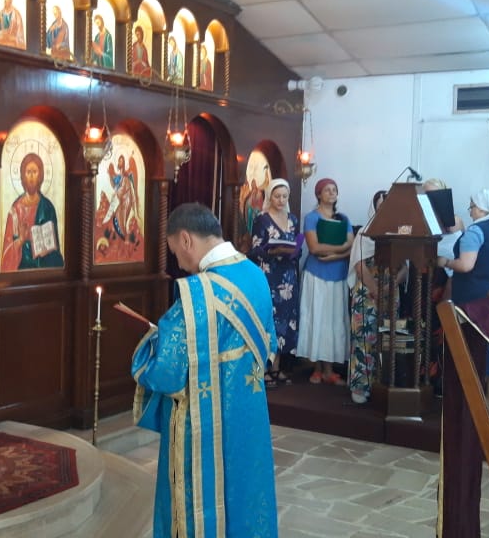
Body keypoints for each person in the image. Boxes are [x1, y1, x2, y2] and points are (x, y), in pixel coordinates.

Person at [131, 202, 279, 538]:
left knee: (205, 502)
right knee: (246, 491)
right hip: (247, 413)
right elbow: (269, 344)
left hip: (204, 423)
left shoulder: (197, 293)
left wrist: (149, 344)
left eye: (175, 252)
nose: (180, 264)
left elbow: (167, 371)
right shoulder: (256, 275)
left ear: (186, 239)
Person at [436, 189, 489, 420]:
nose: (470, 210)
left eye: (473, 206)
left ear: (484, 208)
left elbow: (466, 265)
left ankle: (471, 403)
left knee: (474, 347)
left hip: (476, 297)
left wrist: (444, 262)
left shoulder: (476, 231)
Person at [298, 178, 353, 385]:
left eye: (334, 190)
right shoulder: (311, 217)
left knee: (333, 321)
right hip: (316, 275)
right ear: (318, 194)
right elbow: (314, 248)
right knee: (316, 318)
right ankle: (317, 368)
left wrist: (334, 256)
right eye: (327, 190)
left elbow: (352, 245)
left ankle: (329, 370)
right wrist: (341, 249)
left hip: (338, 274)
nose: (331, 193)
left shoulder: (343, 218)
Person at [246, 178, 300, 386]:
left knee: (285, 321)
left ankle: (277, 368)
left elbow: (298, 247)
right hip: (269, 275)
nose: (281, 200)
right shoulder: (262, 219)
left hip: (288, 277)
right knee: (268, 319)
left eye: (284, 196)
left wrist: (292, 251)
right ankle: (263, 369)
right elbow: (254, 250)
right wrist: (272, 250)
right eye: (277, 196)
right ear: (270, 196)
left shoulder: (293, 219)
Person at [347, 190, 388, 403]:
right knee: (364, 339)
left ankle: (383, 385)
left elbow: (405, 268)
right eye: (381, 207)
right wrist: (376, 290)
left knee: (386, 340)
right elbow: (359, 265)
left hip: (390, 293)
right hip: (367, 293)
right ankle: (361, 387)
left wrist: (389, 288)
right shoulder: (364, 234)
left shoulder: (399, 234)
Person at [2, 152, 64, 270]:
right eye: (28, 172)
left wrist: (48, 250)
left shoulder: (48, 207)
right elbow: (6, 255)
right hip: (22, 270)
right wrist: (20, 240)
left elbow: (56, 251)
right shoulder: (15, 210)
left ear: (40, 176)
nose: (31, 177)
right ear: (23, 176)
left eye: (34, 172)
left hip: (44, 270)